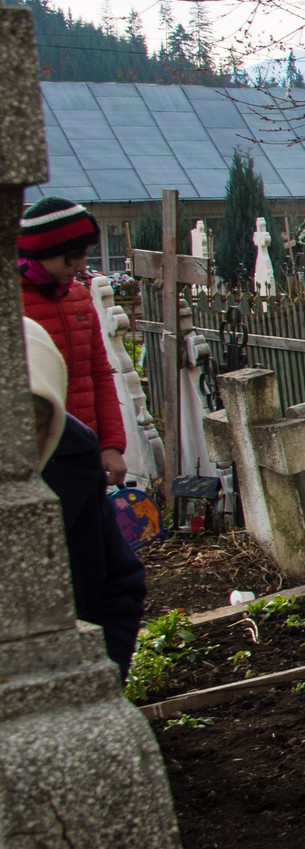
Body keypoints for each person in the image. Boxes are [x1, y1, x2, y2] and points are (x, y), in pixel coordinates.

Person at [25, 316, 143, 679]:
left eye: (36, 420)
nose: (21, 437)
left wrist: (99, 680)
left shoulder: (72, 452)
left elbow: (118, 582)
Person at [19, 197, 126, 484]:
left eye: (86, 254)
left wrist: (112, 444)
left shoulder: (78, 296)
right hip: (33, 460)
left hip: (84, 454)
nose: (81, 265)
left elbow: (98, 373)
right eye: (73, 255)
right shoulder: (10, 302)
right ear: (44, 250)